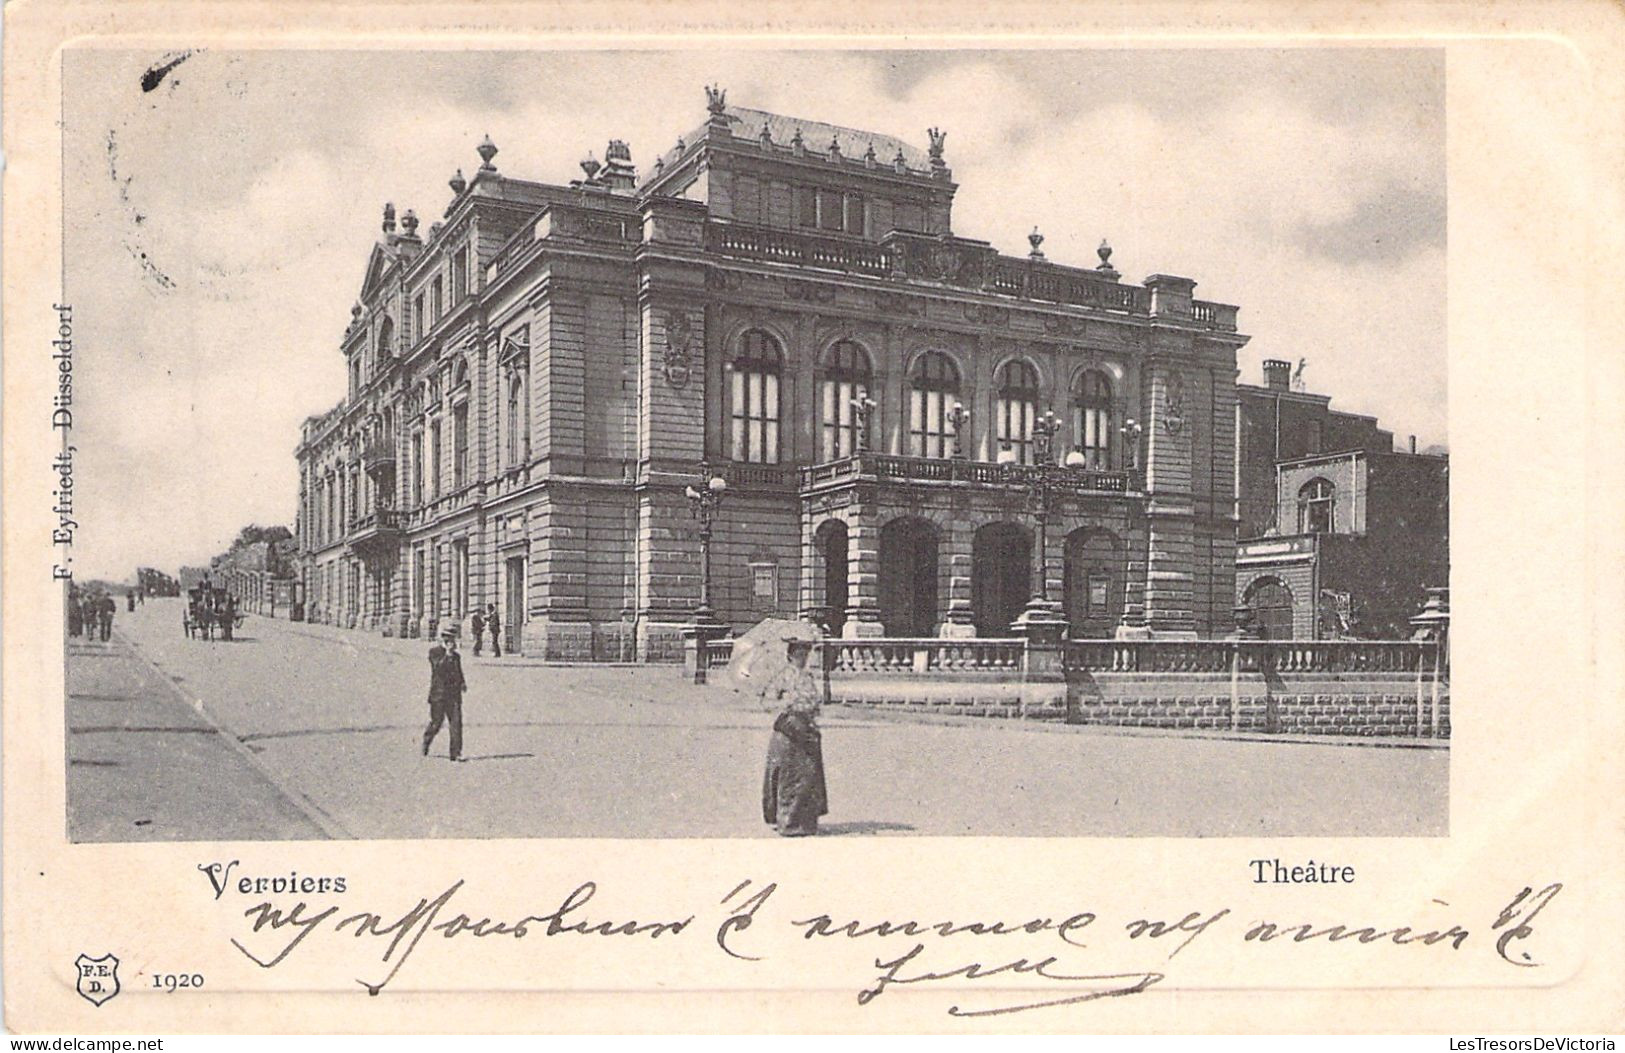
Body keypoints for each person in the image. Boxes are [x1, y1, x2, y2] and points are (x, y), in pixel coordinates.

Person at [761, 638, 828, 837]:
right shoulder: (782, 677)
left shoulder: (807, 677)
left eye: (805, 654)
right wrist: (785, 704)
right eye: (799, 654)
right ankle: (787, 822)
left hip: (806, 729)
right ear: (790, 655)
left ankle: (804, 822)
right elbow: (767, 701)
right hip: (788, 730)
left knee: (807, 775)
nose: (803, 658)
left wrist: (813, 709)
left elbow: (814, 702)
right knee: (789, 776)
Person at [422, 624, 467, 762]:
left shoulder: (456, 656)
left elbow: (458, 671)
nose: (451, 642)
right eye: (448, 639)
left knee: (456, 723)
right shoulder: (434, 652)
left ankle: (456, 753)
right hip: (439, 695)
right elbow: (438, 669)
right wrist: (447, 655)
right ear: (443, 639)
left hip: (453, 695)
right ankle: (427, 740)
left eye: (452, 639)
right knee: (437, 722)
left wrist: (462, 683)